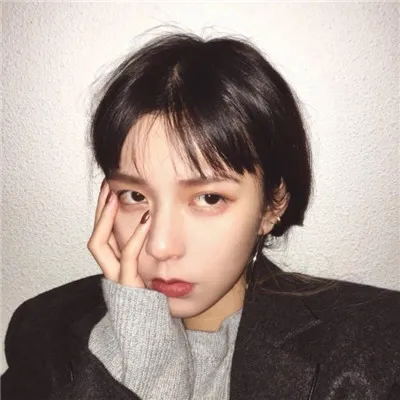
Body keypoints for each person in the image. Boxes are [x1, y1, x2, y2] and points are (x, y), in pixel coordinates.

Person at [2, 33, 400, 400]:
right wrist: (139, 338)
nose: (161, 246)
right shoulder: (45, 331)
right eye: (135, 195)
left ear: (272, 205)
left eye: (209, 198)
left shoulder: (377, 348)